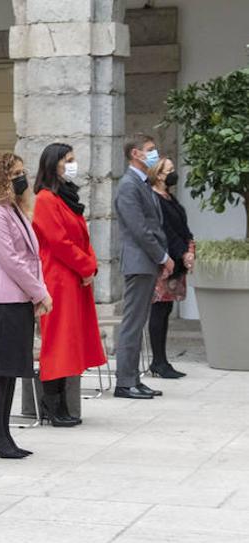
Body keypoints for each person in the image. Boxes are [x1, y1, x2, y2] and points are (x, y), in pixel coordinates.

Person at [0, 151, 49, 458]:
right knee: (2, 369)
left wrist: (37, 290)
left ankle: (3, 432)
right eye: (15, 173)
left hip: (19, 297)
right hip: (5, 298)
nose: (22, 178)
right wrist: (39, 293)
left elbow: (32, 255)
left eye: (23, 171)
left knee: (13, 368)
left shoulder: (14, 209)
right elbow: (12, 261)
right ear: (1, 178)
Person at [31, 143, 105, 426]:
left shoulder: (66, 197)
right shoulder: (47, 199)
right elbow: (58, 242)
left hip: (75, 277)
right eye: (69, 160)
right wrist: (86, 266)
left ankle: (60, 403)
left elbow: (82, 238)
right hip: (59, 279)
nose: (74, 164)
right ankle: (52, 404)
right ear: (54, 165)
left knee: (70, 341)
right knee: (58, 342)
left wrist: (91, 266)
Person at [113, 134, 172, 400]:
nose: (154, 154)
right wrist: (162, 256)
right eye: (149, 150)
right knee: (132, 324)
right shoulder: (128, 185)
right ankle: (125, 382)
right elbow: (139, 228)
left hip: (146, 262)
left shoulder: (143, 183)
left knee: (138, 323)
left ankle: (134, 378)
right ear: (135, 154)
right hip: (139, 261)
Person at [149, 157, 192, 380]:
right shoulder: (154, 199)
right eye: (169, 170)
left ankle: (162, 360)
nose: (173, 173)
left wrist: (190, 247)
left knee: (165, 311)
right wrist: (182, 251)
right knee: (159, 310)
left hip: (178, 259)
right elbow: (164, 230)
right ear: (158, 175)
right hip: (165, 261)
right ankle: (158, 361)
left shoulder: (170, 197)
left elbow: (182, 226)